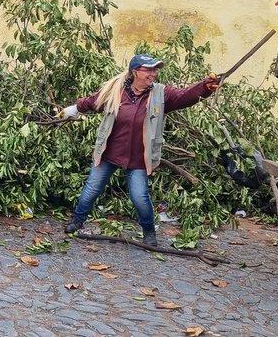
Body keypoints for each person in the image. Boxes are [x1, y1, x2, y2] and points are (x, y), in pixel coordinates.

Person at [57, 54, 220, 247]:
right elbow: (93, 101)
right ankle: (77, 222)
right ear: (135, 72)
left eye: (156, 69)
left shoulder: (162, 94)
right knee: (92, 188)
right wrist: (72, 109)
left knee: (139, 196)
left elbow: (185, 96)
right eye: (149, 69)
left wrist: (205, 87)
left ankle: (149, 232)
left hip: (139, 158)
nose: (154, 73)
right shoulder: (116, 91)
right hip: (109, 153)